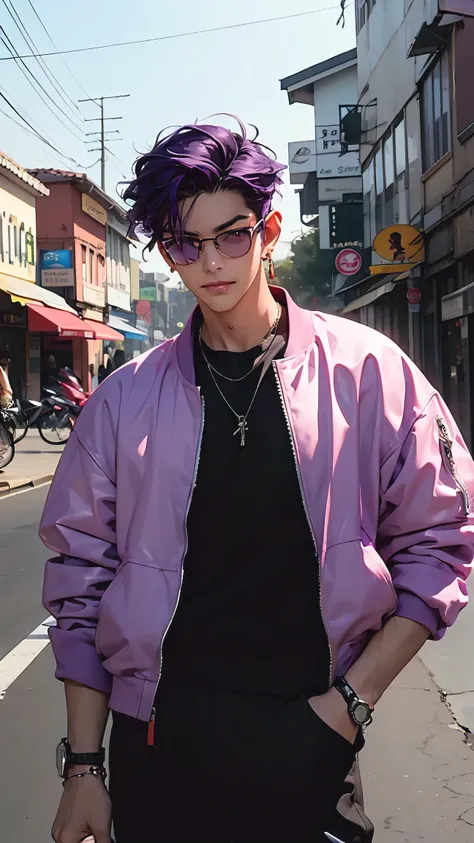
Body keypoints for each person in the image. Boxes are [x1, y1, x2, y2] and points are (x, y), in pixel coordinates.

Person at [40, 118, 474, 843]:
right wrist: (84, 766)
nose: (211, 263)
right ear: (168, 253)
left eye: (232, 235)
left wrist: (350, 705)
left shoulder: (368, 373)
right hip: (159, 745)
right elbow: (80, 583)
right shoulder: (123, 401)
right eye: (185, 244)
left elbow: (444, 537)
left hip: (309, 734)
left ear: (268, 230)